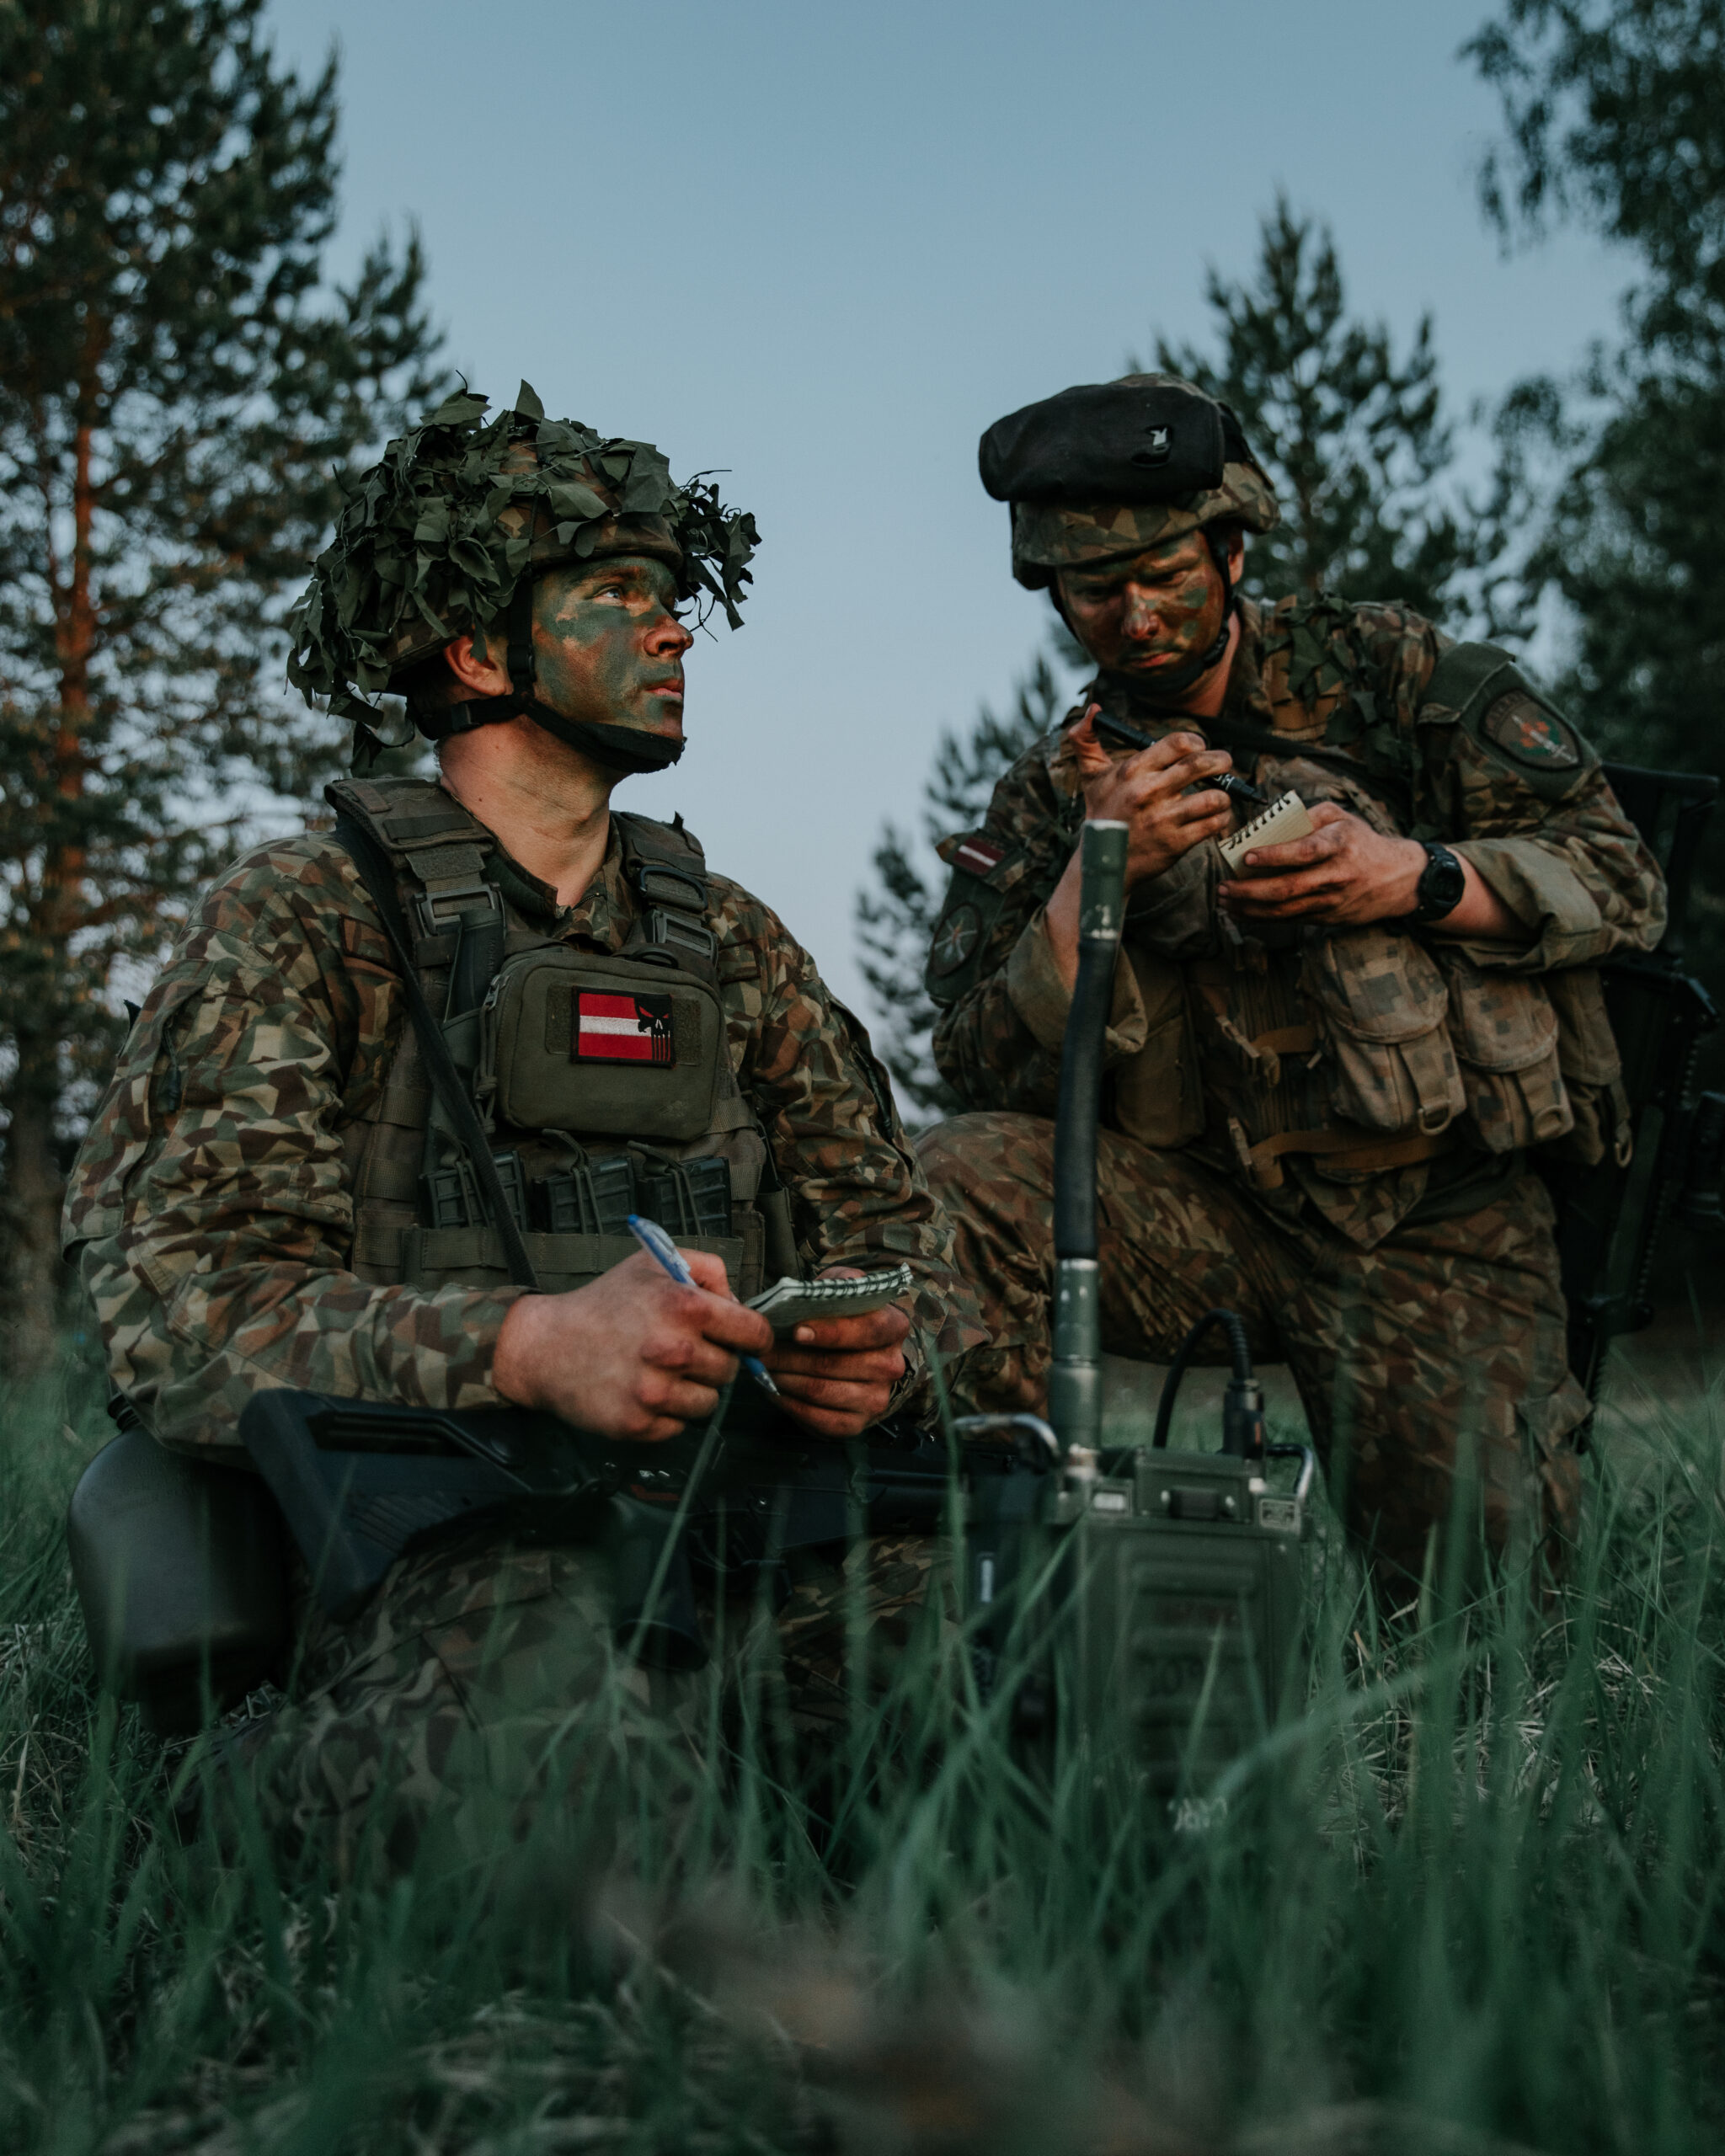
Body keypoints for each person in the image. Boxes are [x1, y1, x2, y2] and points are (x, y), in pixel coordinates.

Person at [63, 383, 988, 1866]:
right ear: (477, 646)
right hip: (432, 1540)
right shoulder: (305, 925)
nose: (676, 627)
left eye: (674, 595)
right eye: (615, 593)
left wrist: (877, 1355)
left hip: (753, 1515)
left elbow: (901, 1247)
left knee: (1054, 1680)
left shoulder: (732, 944)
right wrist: (525, 1348)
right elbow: (175, 1308)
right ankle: (228, 1796)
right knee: (564, 1768)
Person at [918, 372, 1668, 1582]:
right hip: (1197, 1217)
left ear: (1230, 549)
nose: (1135, 618)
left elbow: (1622, 880)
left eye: (1164, 575)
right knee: (944, 1192)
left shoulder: (1387, 677)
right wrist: (1088, 881)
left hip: (1432, 1223)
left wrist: (1407, 877)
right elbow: (973, 1058)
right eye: (1094, 592)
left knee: (1488, 1611)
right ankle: (1005, 1573)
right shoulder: (1052, 791)